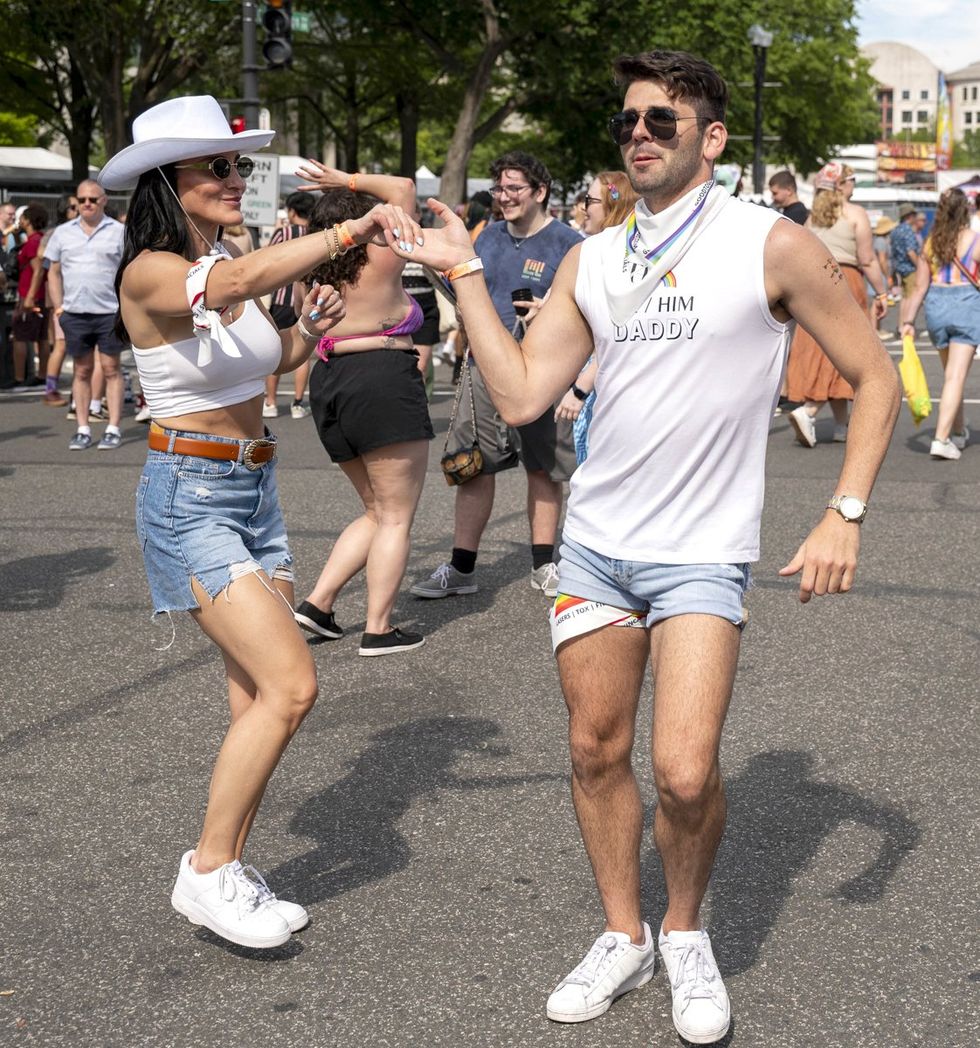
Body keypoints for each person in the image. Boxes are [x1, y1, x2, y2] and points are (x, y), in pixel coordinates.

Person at [395, 49, 900, 1044]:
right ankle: (622, 933)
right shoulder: (593, 258)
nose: (638, 134)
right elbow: (520, 395)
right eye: (627, 120)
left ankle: (684, 930)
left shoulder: (772, 244)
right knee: (594, 749)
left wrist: (843, 512)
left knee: (683, 769)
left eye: (660, 120)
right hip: (595, 546)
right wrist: (462, 272)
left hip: (701, 551)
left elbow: (874, 376)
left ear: (710, 137)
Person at [99, 94, 417, 948]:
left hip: (253, 496)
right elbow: (233, 289)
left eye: (237, 163)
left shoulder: (221, 257)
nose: (236, 177)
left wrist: (305, 333)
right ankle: (206, 871)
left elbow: (259, 361)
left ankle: (226, 868)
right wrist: (350, 229)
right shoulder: (152, 271)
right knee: (293, 686)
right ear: (167, 181)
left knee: (254, 699)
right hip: (189, 496)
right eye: (217, 166)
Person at [411, 150, 582, 602]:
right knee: (474, 464)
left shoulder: (569, 243)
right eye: (499, 189)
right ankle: (461, 568)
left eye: (513, 188)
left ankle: (544, 564)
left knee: (543, 468)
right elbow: (466, 292)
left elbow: (585, 307)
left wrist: (548, 310)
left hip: (544, 367)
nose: (503, 197)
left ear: (540, 192)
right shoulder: (487, 237)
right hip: (484, 366)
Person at [288, 163, 434, 656]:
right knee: (395, 516)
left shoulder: (310, 268)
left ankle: (319, 604)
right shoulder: (383, 252)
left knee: (375, 511)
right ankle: (379, 627)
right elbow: (403, 187)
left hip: (329, 380)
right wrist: (345, 179)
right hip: (381, 375)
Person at [785, 162, 889, 447]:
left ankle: (842, 425)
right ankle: (809, 411)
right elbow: (867, 259)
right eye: (852, 179)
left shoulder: (812, 217)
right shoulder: (855, 213)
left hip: (811, 281)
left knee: (821, 347)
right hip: (845, 280)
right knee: (848, 348)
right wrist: (882, 293)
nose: (854, 184)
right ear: (842, 184)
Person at [553, 172, 637, 463]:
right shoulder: (606, 254)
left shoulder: (615, 260)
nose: (582, 208)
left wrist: (580, 390)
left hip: (606, 390)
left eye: (590, 201)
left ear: (612, 205)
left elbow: (616, 334)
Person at [45, 179, 126, 449]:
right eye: (81, 200)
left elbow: (130, 271)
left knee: (111, 369)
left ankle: (113, 427)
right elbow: (53, 271)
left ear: (104, 200)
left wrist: (125, 307)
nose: (87, 204)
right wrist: (59, 306)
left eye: (92, 199)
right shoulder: (62, 233)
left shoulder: (119, 231)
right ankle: (82, 428)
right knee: (81, 371)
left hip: (109, 313)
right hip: (75, 313)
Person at [901, 187, 979, 460]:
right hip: (965, 306)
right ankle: (941, 439)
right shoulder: (974, 240)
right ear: (965, 210)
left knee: (950, 376)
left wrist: (908, 320)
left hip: (936, 308)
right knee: (956, 377)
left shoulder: (931, 242)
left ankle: (957, 431)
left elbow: (920, 287)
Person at [263, 190, 316, 420]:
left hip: (282, 299)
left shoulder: (284, 232)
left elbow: (267, 259)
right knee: (303, 348)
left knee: (275, 348)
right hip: (309, 300)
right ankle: (298, 403)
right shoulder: (316, 234)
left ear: (292, 212)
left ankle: (271, 402)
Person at [10, 203, 50, 389]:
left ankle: (19, 378)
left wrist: (30, 296)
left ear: (28, 220)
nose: (20, 221)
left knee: (20, 336)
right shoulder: (38, 240)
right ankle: (42, 375)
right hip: (39, 295)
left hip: (30, 295)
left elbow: (38, 270)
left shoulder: (33, 242)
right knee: (42, 336)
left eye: (22, 218)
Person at [891, 203, 922, 306]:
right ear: (909, 216)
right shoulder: (908, 230)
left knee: (904, 299)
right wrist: (920, 267)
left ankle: (902, 317)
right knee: (912, 300)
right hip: (910, 269)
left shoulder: (896, 230)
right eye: (914, 215)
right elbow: (911, 252)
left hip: (900, 268)